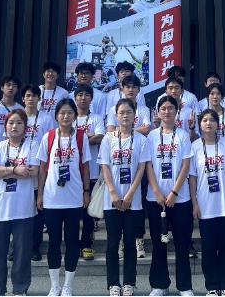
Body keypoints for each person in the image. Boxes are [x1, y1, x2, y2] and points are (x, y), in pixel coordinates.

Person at [37, 98, 91, 297]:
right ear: (56, 115)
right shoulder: (49, 136)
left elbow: (86, 167)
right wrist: (40, 194)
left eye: (69, 112)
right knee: (53, 241)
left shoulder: (81, 137)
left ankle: (68, 285)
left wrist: (86, 191)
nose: (65, 116)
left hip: (74, 197)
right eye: (62, 113)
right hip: (52, 197)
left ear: (74, 115)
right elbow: (42, 168)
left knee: (71, 241)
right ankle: (54, 285)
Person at [99, 99, 150, 296]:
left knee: (130, 243)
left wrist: (130, 194)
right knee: (113, 243)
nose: (125, 115)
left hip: (132, 200)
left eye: (129, 112)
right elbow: (105, 167)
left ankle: (129, 283)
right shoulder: (107, 139)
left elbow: (141, 169)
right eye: (122, 112)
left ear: (135, 115)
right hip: (111, 199)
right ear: (116, 116)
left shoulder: (141, 140)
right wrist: (113, 192)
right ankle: (113, 284)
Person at [146, 96, 194, 296]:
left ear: (177, 111)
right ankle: (160, 285)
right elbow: (148, 165)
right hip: (155, 199)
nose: (167, 112)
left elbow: (185, 165)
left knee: (182, 243)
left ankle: (184, 286)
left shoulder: (182, 135)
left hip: (180, 198)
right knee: (158, 243)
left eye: (171, 108)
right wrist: (157, 192)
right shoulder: (151, 136)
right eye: (163, 108)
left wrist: (174, 192)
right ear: (158, 112)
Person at [0, 109, 39, 296]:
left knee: (22, 252)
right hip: (0, 207)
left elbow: (33, 171)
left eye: (18, 122)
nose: (14, 126)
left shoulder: (32, 145)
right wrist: (15, 170)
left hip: (23, 208)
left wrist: (4, 172)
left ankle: (20, 289)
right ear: (5, 126)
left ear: (25, 126)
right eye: (10, 123)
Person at [189, 109, 225, 296]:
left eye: (212, 120)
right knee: (208, 248)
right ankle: (211, 286)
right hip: (205, 204)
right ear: (200, 124)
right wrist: (194, 203)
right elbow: (192, 177)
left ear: (218, 124)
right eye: (204, 120)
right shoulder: (195, 146)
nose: (208, 123)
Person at [21, 84, 57, 261]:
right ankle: (18, 246)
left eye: (34, 96)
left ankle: (35, 246)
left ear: (39, 99)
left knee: (38, 208)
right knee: (20, 209)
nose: (31, 99)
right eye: (28, 96)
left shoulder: (46, 119)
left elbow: (51, 143)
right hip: (20, 168)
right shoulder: (17, 116)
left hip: (40, 168)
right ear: (23, 99)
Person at [72, 83, 105, 261]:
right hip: (72, 172)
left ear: (91, 98)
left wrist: (78, 138)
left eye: (87, 95)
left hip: (91, 171)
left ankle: (86, 244)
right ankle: (72, 245)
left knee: (88, 212)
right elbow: (65, 138)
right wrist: (88, 136)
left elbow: (100, 137)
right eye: (80, 95)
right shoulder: (69, 117)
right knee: (73, 211)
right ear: (75, 98)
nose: (83, 98)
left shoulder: (97, 118)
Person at [155, 77, 198, 142]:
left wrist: (192, 128)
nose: (173, 91)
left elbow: (195, 140)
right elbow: (155, 138)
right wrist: (157, 126)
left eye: (176, 88)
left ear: (181, 91)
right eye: (170, 88)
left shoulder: (190, 112)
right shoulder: (161, 111)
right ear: (166, 91)